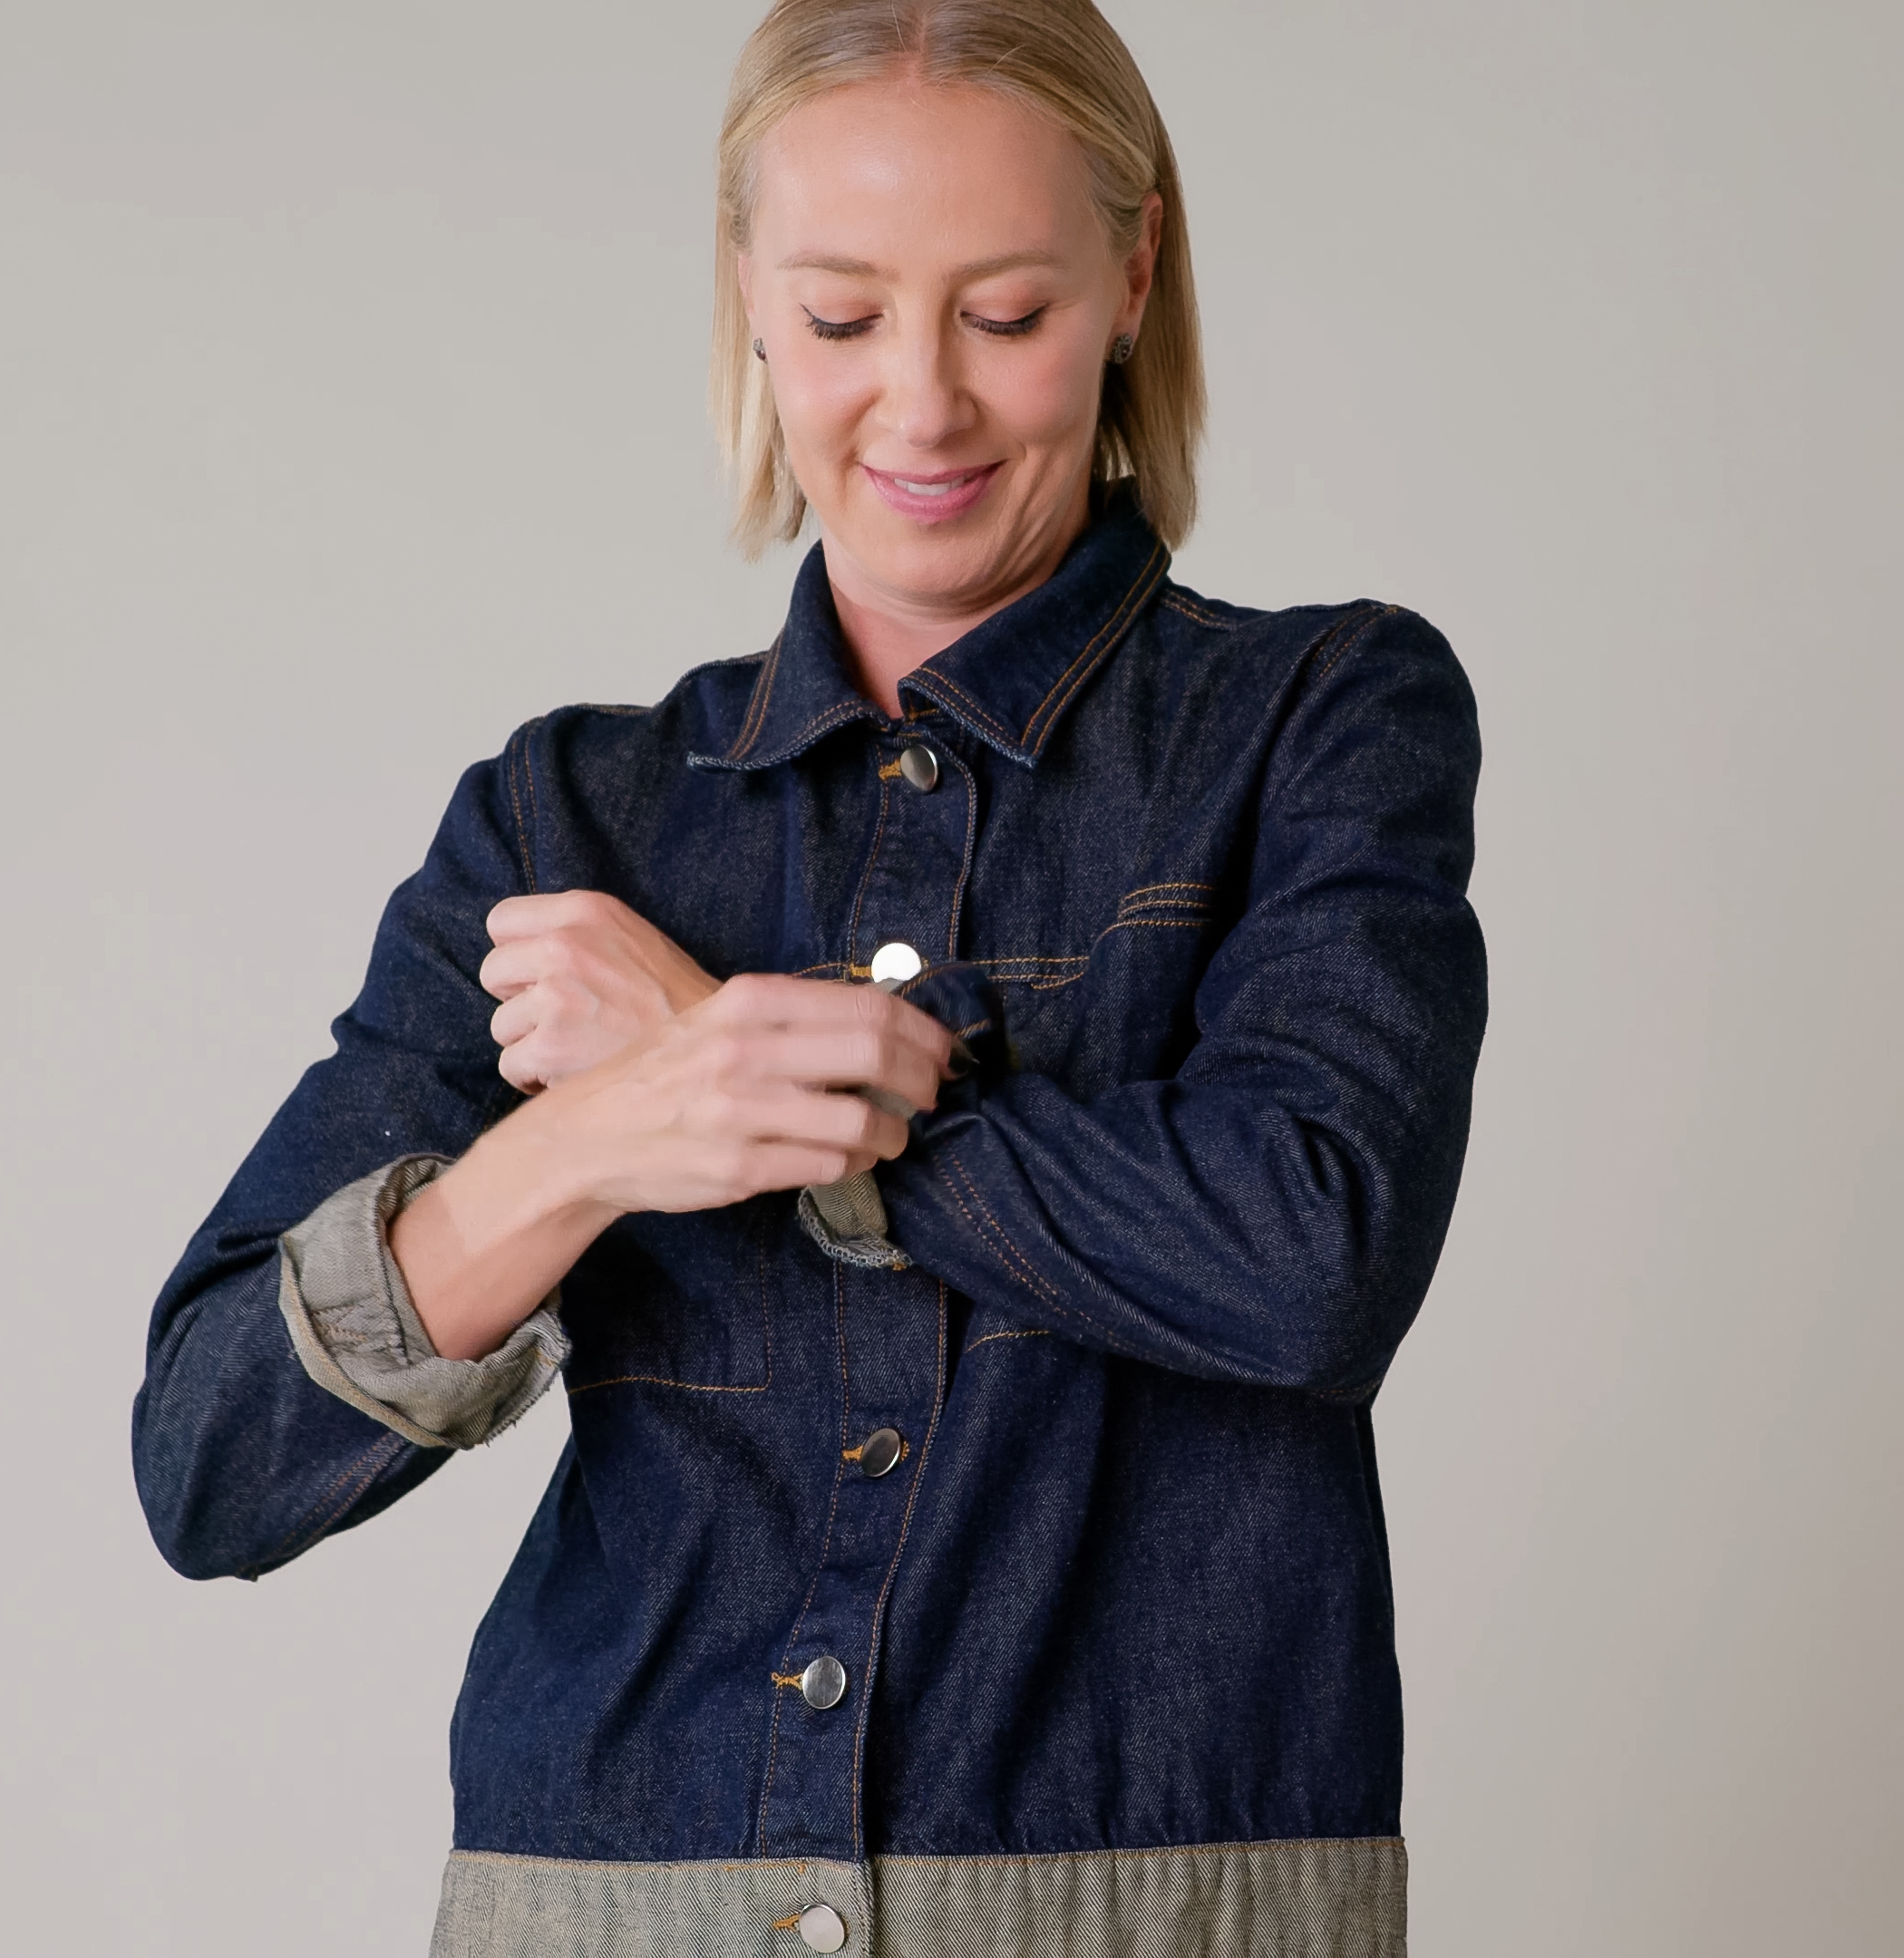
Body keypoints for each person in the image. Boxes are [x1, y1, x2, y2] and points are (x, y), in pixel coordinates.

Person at [133, 2, 1486, 1951]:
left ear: (1133, 275)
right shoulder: (565, 819)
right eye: (844, 317)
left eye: (1004, 314)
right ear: (749, 303)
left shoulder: (1321, 717)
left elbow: (1311, 1256)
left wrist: (758, 1071)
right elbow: (212, 1458)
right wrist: (590, 1141)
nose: (920, 407)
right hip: (610, 1901)